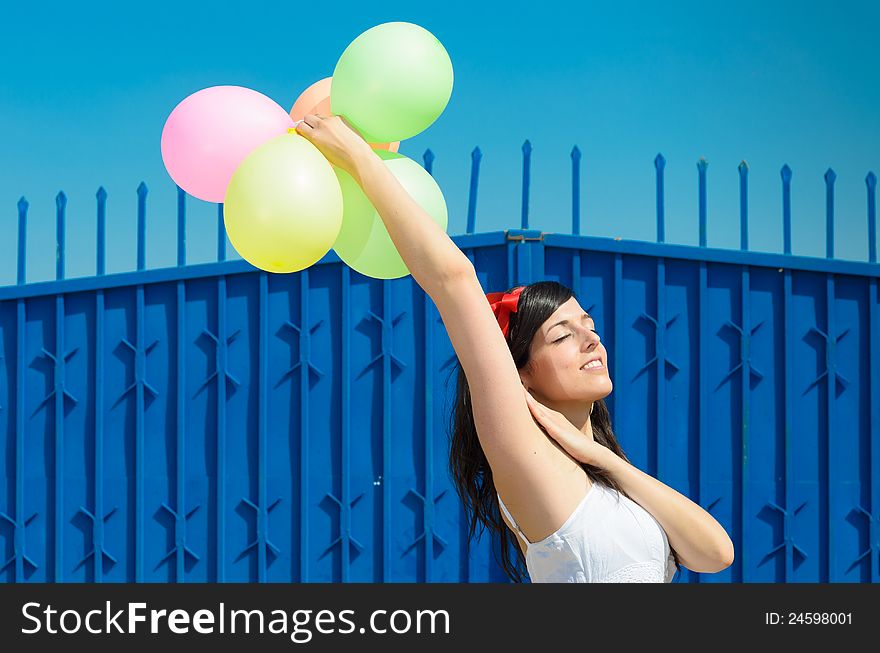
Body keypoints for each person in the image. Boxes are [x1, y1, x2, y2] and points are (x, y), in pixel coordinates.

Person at [296, 114, 735, 583]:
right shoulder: (525, 456)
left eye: (589, 325)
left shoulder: (604, 475)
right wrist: (360, 157)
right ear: (521, 371)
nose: (592, 338)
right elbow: (453, 281)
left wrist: (603, 458)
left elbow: (716, 553)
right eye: (563, 334)